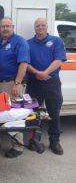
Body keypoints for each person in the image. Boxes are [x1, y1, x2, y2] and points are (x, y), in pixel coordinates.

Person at [27, 17, 66, 155]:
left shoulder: (56, 41)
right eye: (38, 25)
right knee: (33, 113)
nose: (40, 27)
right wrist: (37, 73)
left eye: (43, 25)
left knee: (54, 112)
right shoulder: (28, 43)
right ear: (34, 27)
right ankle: (34, 140)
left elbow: (59, 59)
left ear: (47, 26)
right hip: (34, 83)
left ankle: (55, 141)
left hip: (51, 82)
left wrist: (45, 73)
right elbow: (25, 62)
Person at [0, 17, 30, 158]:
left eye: (8, 26)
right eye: (3, 26)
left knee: (14, 116)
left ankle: (18, 146)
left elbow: (23, 63)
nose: (5, 29)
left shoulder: (19, 42)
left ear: (13, 27)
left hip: (12, 84)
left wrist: (17, 83)